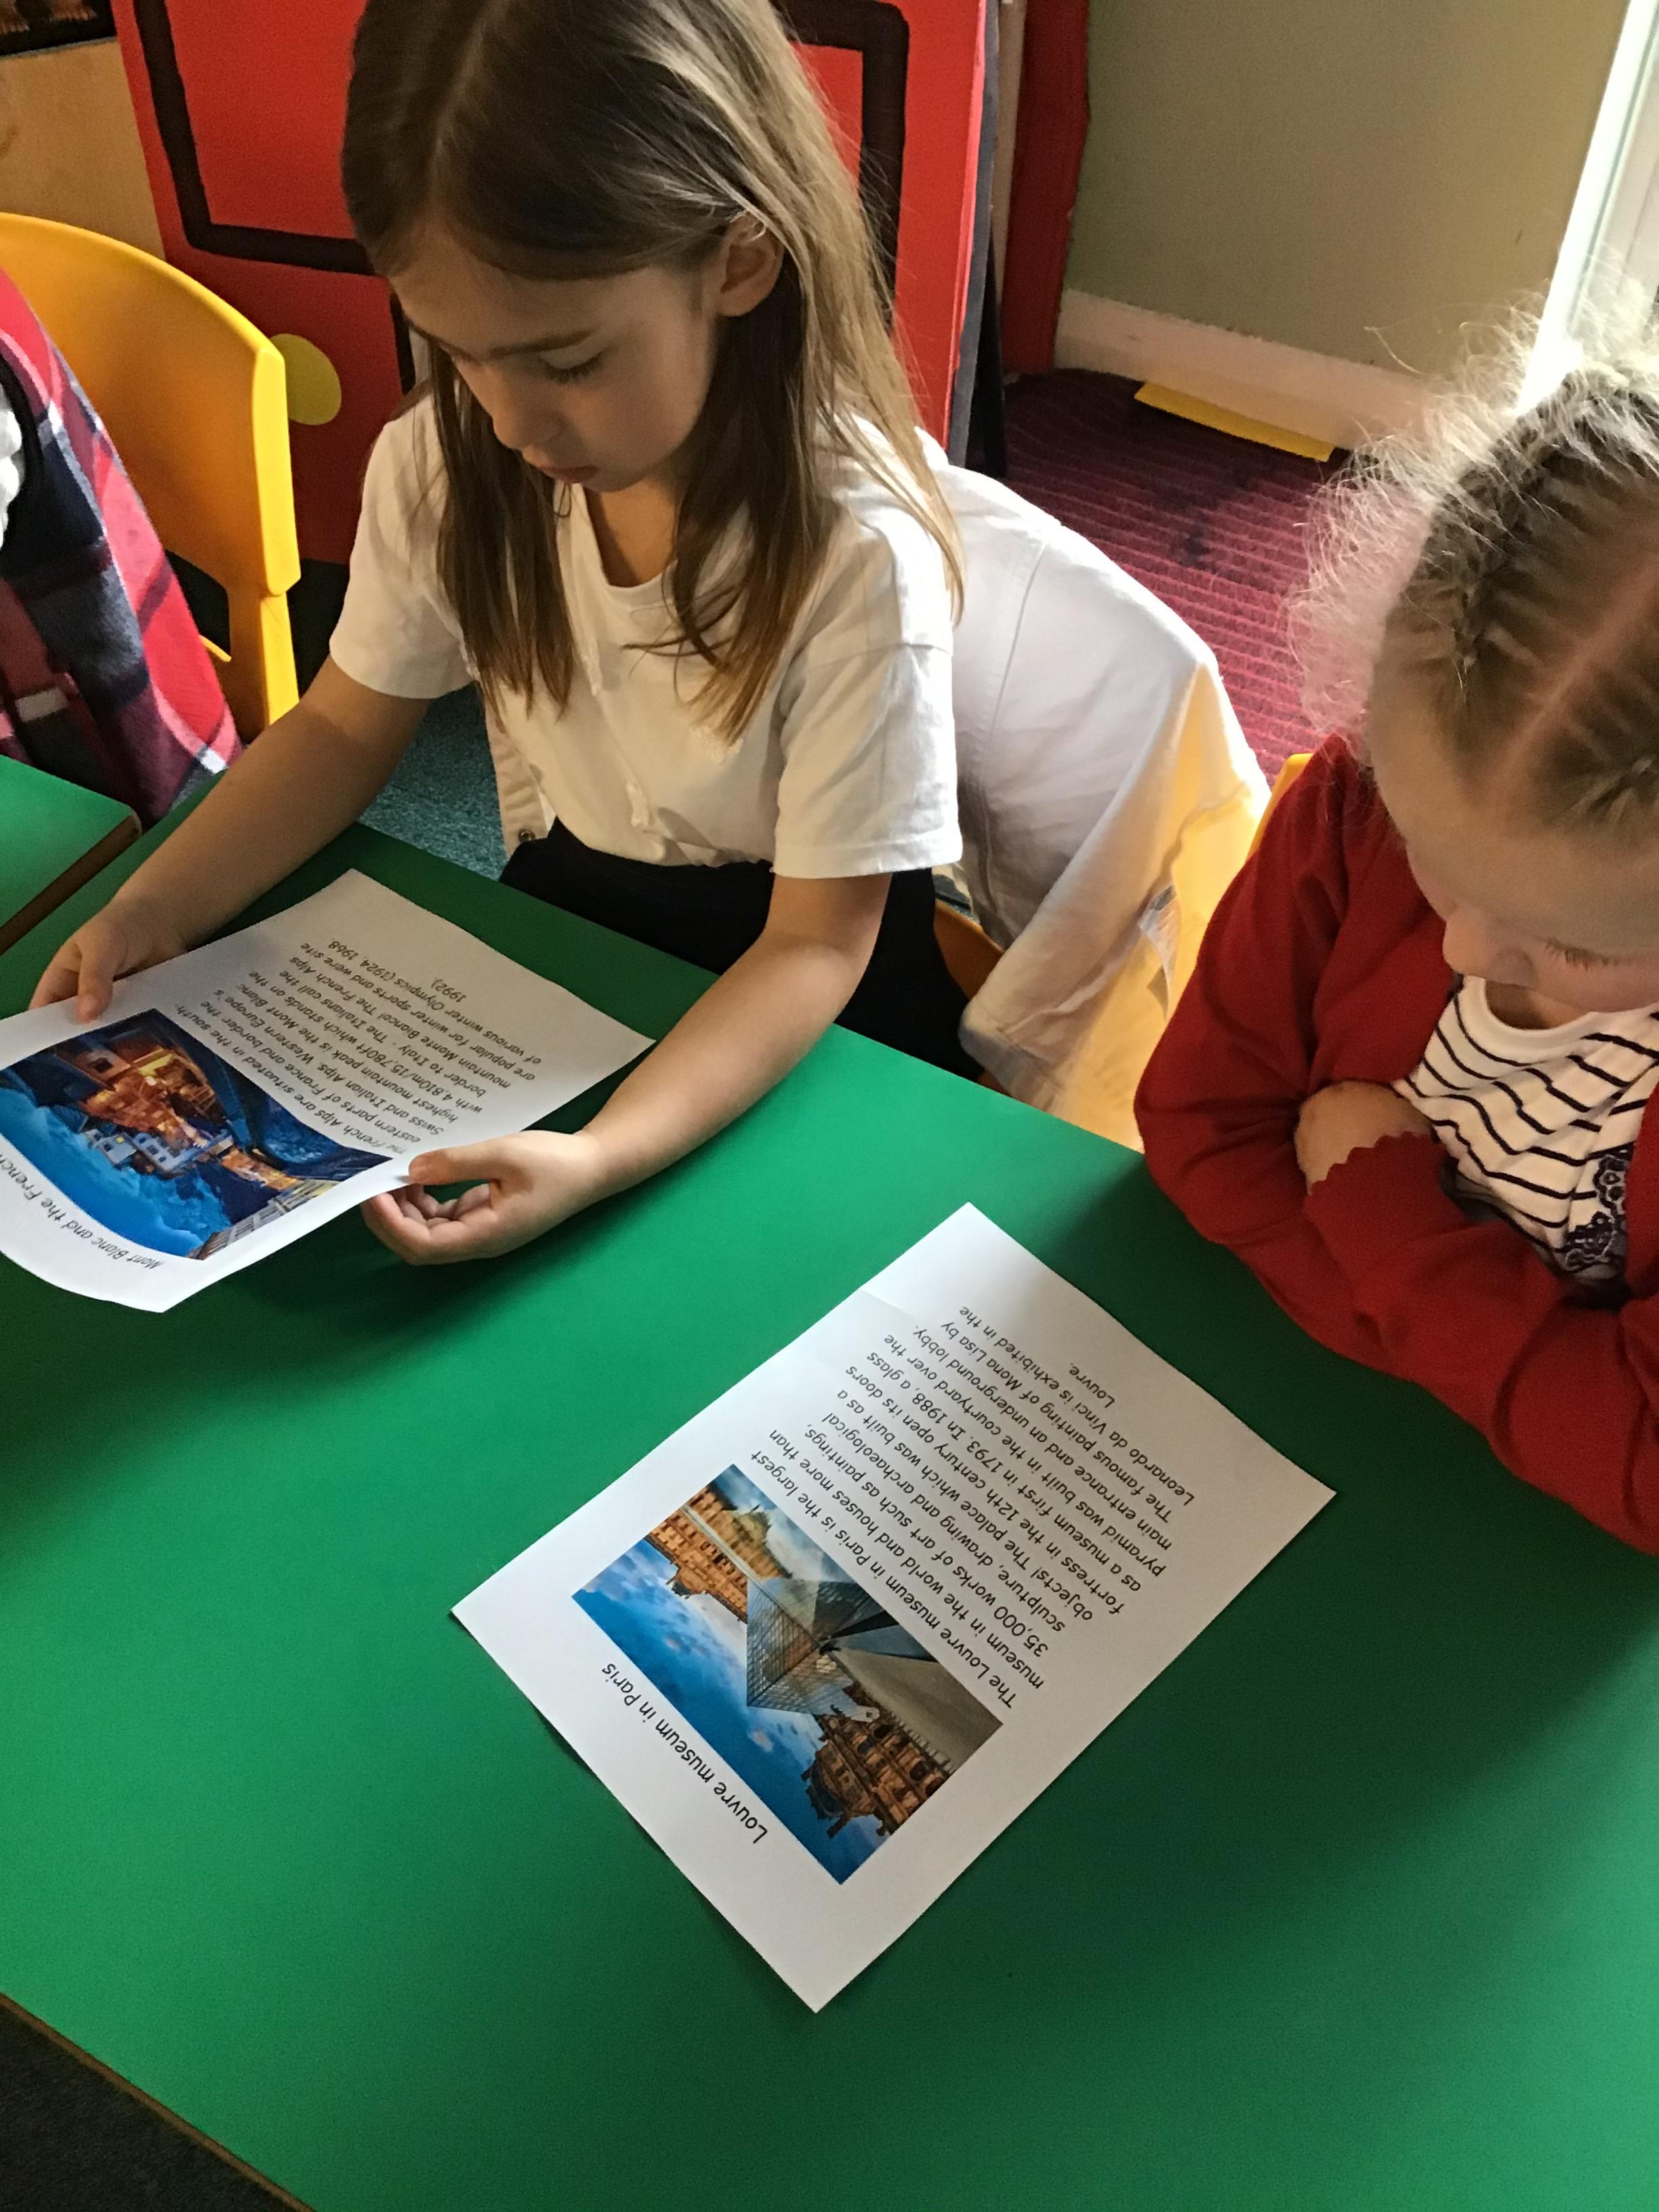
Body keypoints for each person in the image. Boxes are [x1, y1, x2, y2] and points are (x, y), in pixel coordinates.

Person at [32, 0, 972, 1263]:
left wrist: (601, 1157)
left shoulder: (855, 559)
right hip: (572, 928)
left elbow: (816, 945)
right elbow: (342, 728)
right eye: (459, 353)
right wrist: (158, 904)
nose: (513, 419)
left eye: (568, 361)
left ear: (740, 260)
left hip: (814, 1004)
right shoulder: (450, 460)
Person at [1135, 325, 1659, 1552]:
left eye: (1574, 946)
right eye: (1433, 860)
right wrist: (1527, 1387)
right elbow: (1200, 1130)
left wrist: (1385, 1227)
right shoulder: (1351, 807)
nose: (1465, 951)